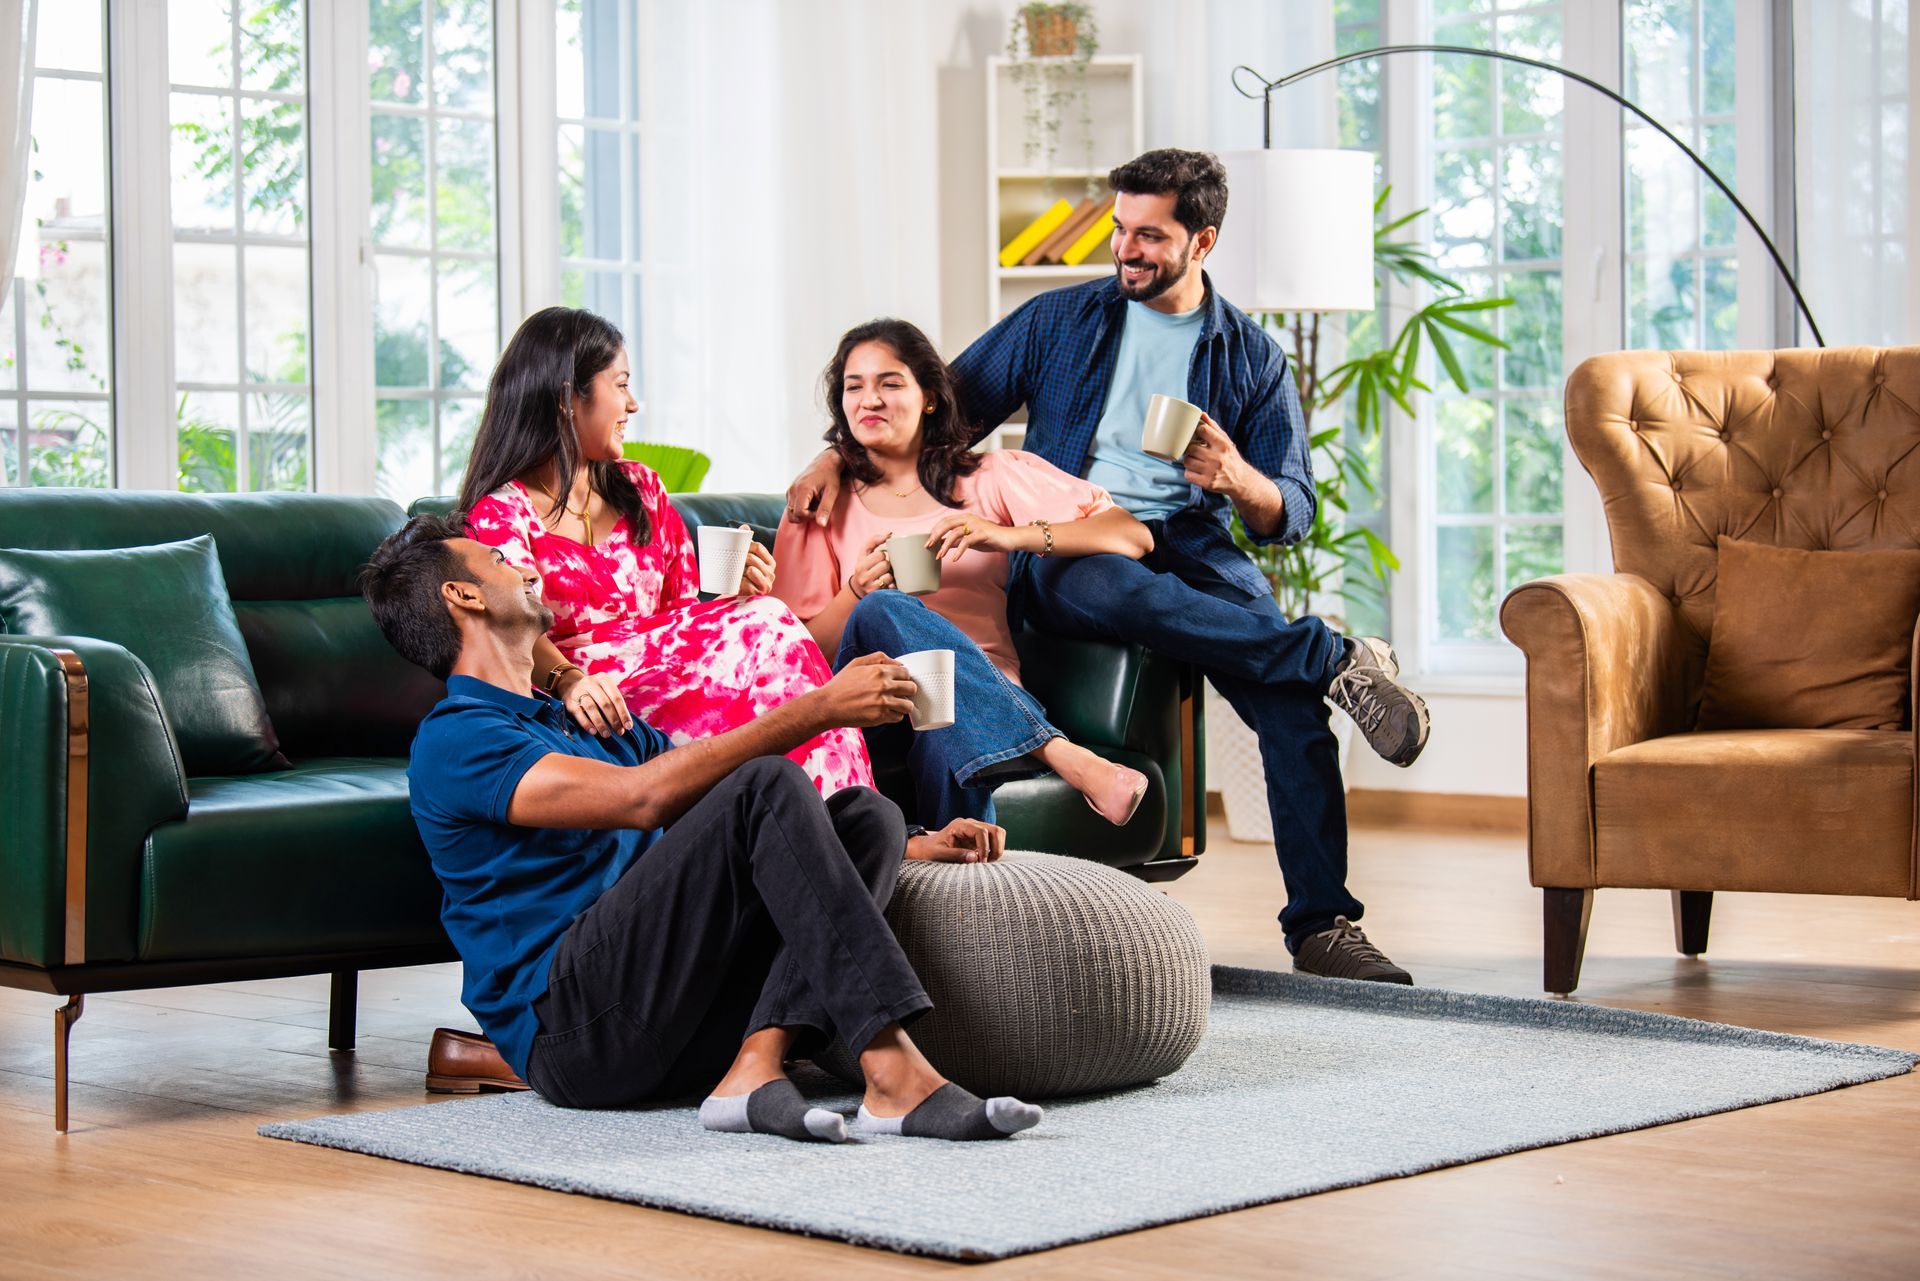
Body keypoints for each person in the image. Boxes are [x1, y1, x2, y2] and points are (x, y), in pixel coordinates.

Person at [785, 150, 1430, 984]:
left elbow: (1292, 513)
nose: (1124, 248)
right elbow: (934, 407)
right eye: (1119, 228)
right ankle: (1336, 654)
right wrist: (832, 461)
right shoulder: (1058, 322)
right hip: (1064, 539)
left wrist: (1238, 478)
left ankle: (1323, 925)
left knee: (1286, 700)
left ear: (1202, 240)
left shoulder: (1251, 357)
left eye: (1147, 236)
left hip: (1194, 538)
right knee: (1110, 582)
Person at [361, 511, 1041, 1142]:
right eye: (501, 560)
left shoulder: (583, 722)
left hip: (673, 1011)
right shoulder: (457, 739)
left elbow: (708, 811)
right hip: (577, 1033)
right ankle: (893, 1072)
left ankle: (755, 1065)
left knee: (868, 816)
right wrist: (819, 708)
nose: (525, 566)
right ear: (465, 597)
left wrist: (916, 841)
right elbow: (642, 800)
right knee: (768, 782)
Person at [461, 306, 870, 797]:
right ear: (569, 398)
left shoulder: (641, 488)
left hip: (669, 675)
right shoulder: (502, 512)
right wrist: (569, 681)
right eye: (621, 384)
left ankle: (850, 820)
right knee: (766, 627)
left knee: (763, 621)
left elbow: (682, 614)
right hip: (592, 696)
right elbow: (508, 627)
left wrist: (726, 594)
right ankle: (857, 825)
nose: (632, 404)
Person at [773, 317, 1155, 829]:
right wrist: (855, 594)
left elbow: (1132, 535)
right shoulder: (822, 502)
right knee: (885, 608)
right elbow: (794, 655)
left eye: (890, 383)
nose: (870, 400)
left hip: (970, 693)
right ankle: (1066, 756)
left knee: (941, 700)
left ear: (929, 396)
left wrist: (1008, 535)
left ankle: (965, 893)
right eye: (854, 386)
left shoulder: (989, 479)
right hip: (869, 703)